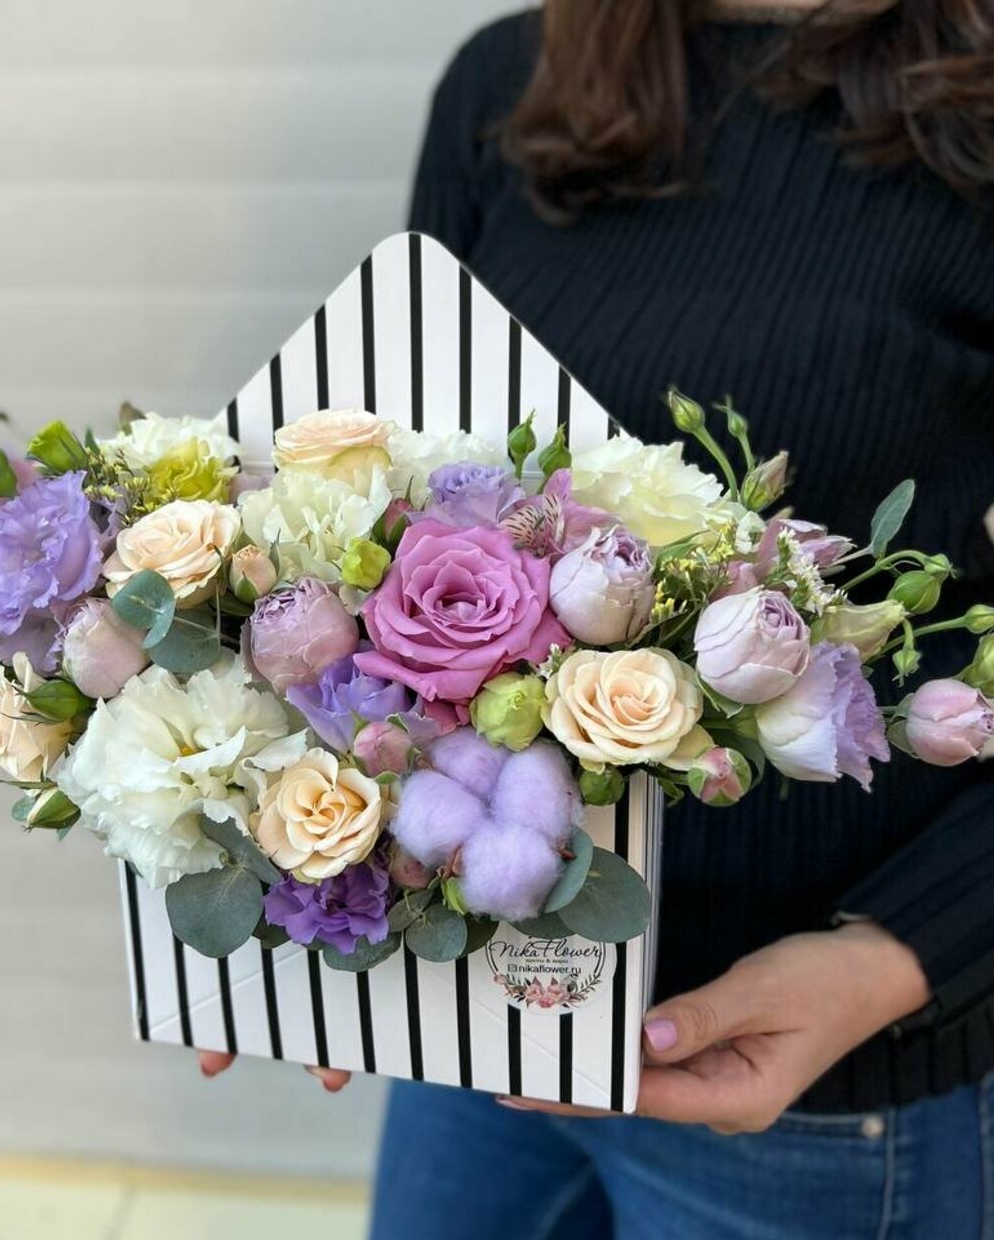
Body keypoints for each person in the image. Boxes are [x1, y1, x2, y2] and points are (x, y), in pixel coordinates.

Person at [204, 2, 994, 1234]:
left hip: (814, 1082)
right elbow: (381, 503)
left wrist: (896, 958)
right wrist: (306, 893)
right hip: (473, 1007)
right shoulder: (513, 82)